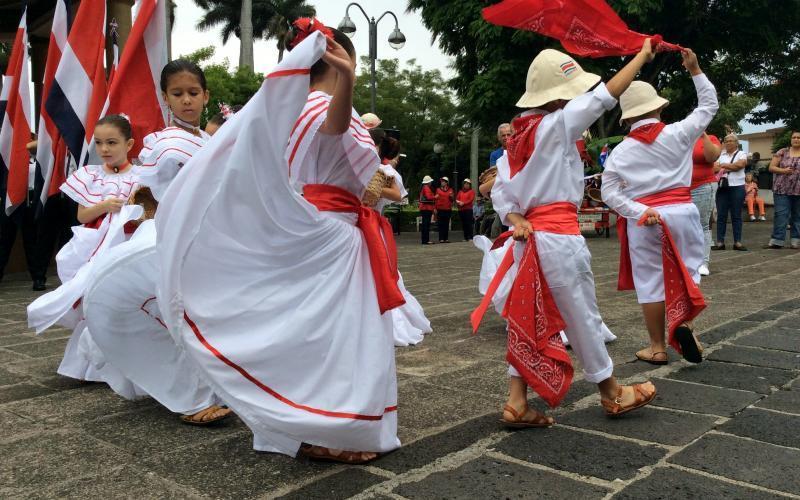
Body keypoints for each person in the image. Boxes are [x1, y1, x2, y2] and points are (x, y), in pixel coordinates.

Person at [152, 22, 402, 463]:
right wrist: (349, 82)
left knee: (313, 332)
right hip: (336, 231)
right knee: (341, 335)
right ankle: (327, 428)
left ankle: (299, 425)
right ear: (342, 60)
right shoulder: (321, 106)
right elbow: (338, 131)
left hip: (316, 223)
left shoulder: (288, 110)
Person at [473, 42, 658, 427]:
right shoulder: (555, 127)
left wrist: (516, 218)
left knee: (528, 315)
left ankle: (517, 401)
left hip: (529, 239)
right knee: (582, 317)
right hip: (558, 238)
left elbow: (501, 194)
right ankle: (611, 392)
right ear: (560, 97)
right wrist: (640, 56)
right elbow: (605, 96)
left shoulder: (514, 142)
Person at [81, 60, 231, 426]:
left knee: (206, 315)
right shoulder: (164, 144)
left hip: (209, 238)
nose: (186, 101)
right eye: (177, 94)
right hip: (176, 236)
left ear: (206, 96)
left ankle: (215, 386)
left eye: (193, 93)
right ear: (165, 98)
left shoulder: (210, 140)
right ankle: (191, 397)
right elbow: (153, 193)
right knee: (175, 314)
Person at [602, 48, 717, 367]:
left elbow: (609, 193)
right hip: (682, 210)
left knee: (650, 280)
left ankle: (656, 347)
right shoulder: (679, 133)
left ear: (628, 118)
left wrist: (640, 212)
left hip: (647, 218)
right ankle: (684, 325)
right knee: (691, 269)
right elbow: (709, 105)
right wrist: (695, 69)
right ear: (658, 108)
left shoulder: (620, 152)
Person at [27, 115, 144, 396]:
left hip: (128, 243)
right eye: (100, 143)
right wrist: (106, 205)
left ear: (129, 144)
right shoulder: (91, 175)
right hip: (96, 244)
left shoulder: (140, 176)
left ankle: (131, 365)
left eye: (112, 142)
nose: (105, 149)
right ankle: (86, 364)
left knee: (126, 302)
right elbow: (81, 215)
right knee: (95, 301)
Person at [0, 139, 49, 290]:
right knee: (4, 240)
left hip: (32, 199)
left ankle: (38, 278)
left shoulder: (41, 157)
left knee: (32, 241)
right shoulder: (8, 154)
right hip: (12, 199)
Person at [689, 132, 721, 276]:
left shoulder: (711, 138)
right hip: (680, 187)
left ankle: (703, 262)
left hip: (702, 186)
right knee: (683, 225)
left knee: (702, 223)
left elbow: (711, 157)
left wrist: (703, 134)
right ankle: (687, 261)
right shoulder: (681, 136)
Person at [711, 133, 748, 251]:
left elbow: (740, 165)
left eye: (731, 141)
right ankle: (720, 242)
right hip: (722, 187)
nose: (728, 143)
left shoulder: (741, 154)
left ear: (736, 143)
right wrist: (730, 166)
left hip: (737, 186)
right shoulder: (720, 154)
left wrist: (722, 166)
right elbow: (714, 168)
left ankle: (737, 242)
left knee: (736, 215)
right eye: (726, 141)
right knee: (721, 215)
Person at [764, 131, 800, 249]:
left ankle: (796, 241)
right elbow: (771, 167)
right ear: (791, 139)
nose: (796, 139)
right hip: (781, 189)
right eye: (794, 137)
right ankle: (777, 240)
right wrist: (784, 171)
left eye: (798, 138)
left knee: (798, 216)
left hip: (798, 190)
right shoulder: (782, 152)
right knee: (781, 214)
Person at [435, 177, 454, 242]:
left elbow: (452, 200)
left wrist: (451, 197)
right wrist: (435, 208)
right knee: (440, 224)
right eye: (441, 181)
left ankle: (446, 238)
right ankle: (441, 238)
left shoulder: (450, 190)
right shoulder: (438, 190)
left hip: (448, 209)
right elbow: (435, 200)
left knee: (446, 224)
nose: (442, 183)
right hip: (440, 209)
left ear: (446, 183)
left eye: (443, 181)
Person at [419, 175, 435, 244]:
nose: (431, 183)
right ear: (428, 182)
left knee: (425, 224)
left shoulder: (423, 187)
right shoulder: (426, 187)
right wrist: (435, 197)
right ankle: (426, 240)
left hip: (424, 208)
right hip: (426, 208)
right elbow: (429, 197)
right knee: (426, 225)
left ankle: (424, 240)